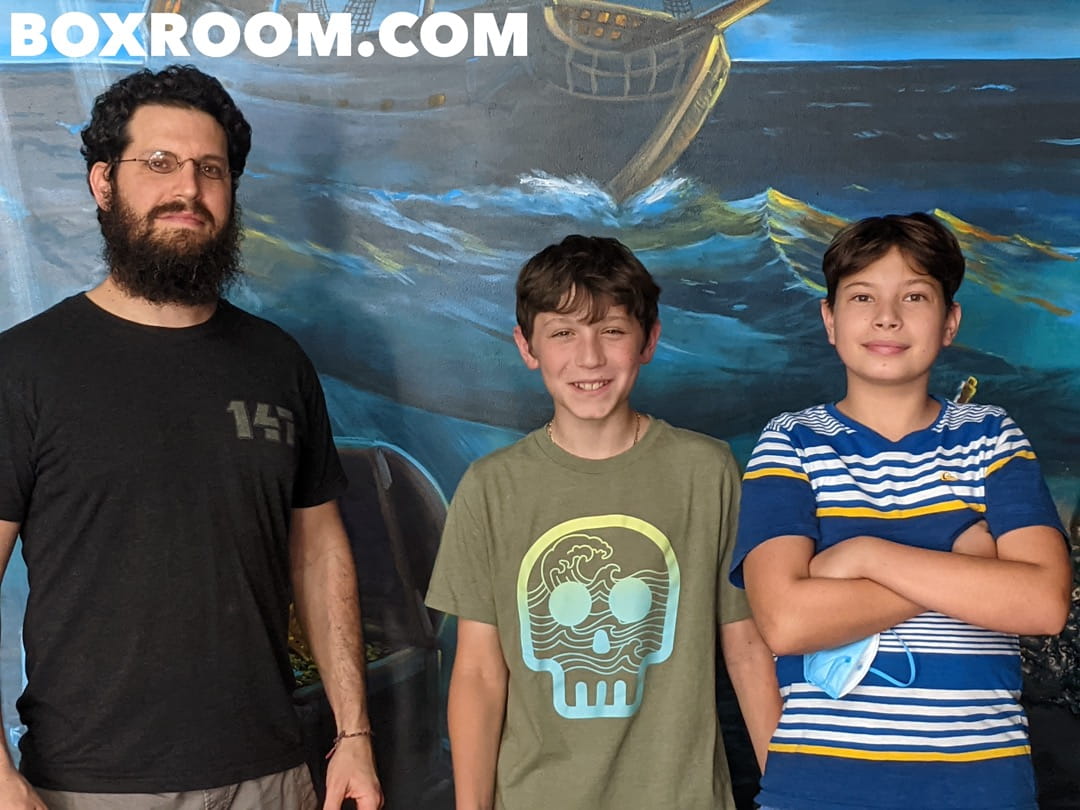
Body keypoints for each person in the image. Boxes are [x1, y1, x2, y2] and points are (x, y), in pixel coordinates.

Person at [0, 65, 381, 810]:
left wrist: (355, 734)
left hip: (273, 776)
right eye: (160, 163)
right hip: (89, 786)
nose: (189, 190)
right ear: (103, 183)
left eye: (211, 169)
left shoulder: (277, 361)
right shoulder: (24, 369)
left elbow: (319, 552)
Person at [426, 235, 781, 809]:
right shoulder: (491, 486)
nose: (589, 358)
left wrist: (790, 792)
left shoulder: (707, 470)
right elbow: (479, 672)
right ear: (527, 346)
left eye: (611, 330)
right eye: (563, 333)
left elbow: (745, 648)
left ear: (649, 340)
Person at [731, 213, 1072, 809]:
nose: (887, 316)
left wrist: (864, 556)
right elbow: (787, 622)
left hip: (982, 792)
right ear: (830, 320)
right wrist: (969, 566)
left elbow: (1041, 604)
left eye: (914, 296)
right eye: (863, 296)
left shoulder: (992, 436)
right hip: (818, 793)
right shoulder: (792, 442)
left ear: (950, 322)